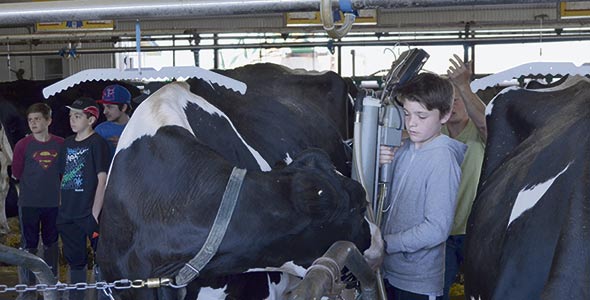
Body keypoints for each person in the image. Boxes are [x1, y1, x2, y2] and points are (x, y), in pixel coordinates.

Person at [379, 72, 466, 300]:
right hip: (391, 270)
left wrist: (386, 243)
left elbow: (436, 228)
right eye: (407, 114)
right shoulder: (405, 150)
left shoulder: (442, 159)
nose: (412, 123)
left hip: (418, 281)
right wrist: (381, 165)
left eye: (422, 116)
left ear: (445, 115)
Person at [442, 55, 487, 300]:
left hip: (475, 229)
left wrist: (463, 86)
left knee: (479, 291)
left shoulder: (478, 132)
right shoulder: (435, 133)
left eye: (458, 100)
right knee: (439, 290)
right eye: (448, 101)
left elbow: (486, 125)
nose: (453, 105)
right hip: (441, 231)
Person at [57, 97, 110, 299]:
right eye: (71, 116)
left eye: (77, 116)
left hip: (89, 213)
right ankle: (76, 296)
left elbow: (102, 179)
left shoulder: (98, 143)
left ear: (91, 120)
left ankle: (103, 296)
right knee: (75, 261)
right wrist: (62, 207)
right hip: (68, 214)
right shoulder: (67, 144)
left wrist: (95, 214)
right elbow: (63, 177)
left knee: (101, 259)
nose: (72, 120)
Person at [11, 103, 64, 292]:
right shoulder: (22, 145)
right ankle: (27, 284)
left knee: (51, 242)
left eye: (37, 119)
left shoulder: (60, 144)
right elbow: (16, 172)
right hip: (28, 203)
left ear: (48, 120)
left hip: (53, 203)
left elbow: (64, 173)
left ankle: (51, 280)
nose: (33, 123)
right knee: (29, 243)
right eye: (30, 120)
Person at [95, 84, 132, 158]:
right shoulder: (100, 130)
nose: (104, 112)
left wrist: (126, 146)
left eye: (109, 107)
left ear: (124, 107)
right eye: (104, 107)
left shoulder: (138, 128)